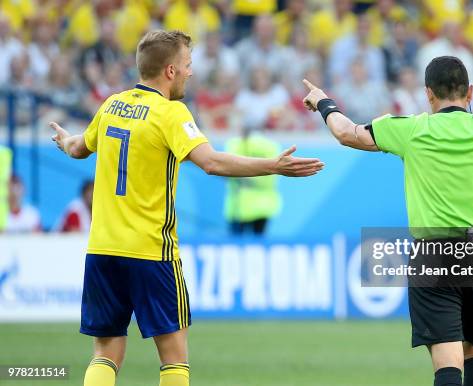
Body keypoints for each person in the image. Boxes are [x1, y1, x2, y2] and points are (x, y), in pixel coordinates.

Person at [50, 30, 323, 386]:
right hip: (151, 251)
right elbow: (212, 163)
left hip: (102, 250)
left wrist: (64, 138)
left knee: (105, 351)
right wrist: (272, 165)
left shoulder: (111, 105)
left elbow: (77, 147)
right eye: (187, 65)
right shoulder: (170, 113)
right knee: (174, 358)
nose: (191, 73)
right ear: (169, 71)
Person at [302, 56, 473, 386]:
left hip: (432, 255)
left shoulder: (409, 129)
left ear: (428, 94)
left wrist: (323, 101)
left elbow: (347, 133)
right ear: (471, 93)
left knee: (447, 361)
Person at [224, 129, 282, 235]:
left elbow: (226, 169)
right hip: (264, 205)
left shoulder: (236, 144)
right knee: (258, 244)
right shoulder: (271, 146)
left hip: (239, 206)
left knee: (236, 245)